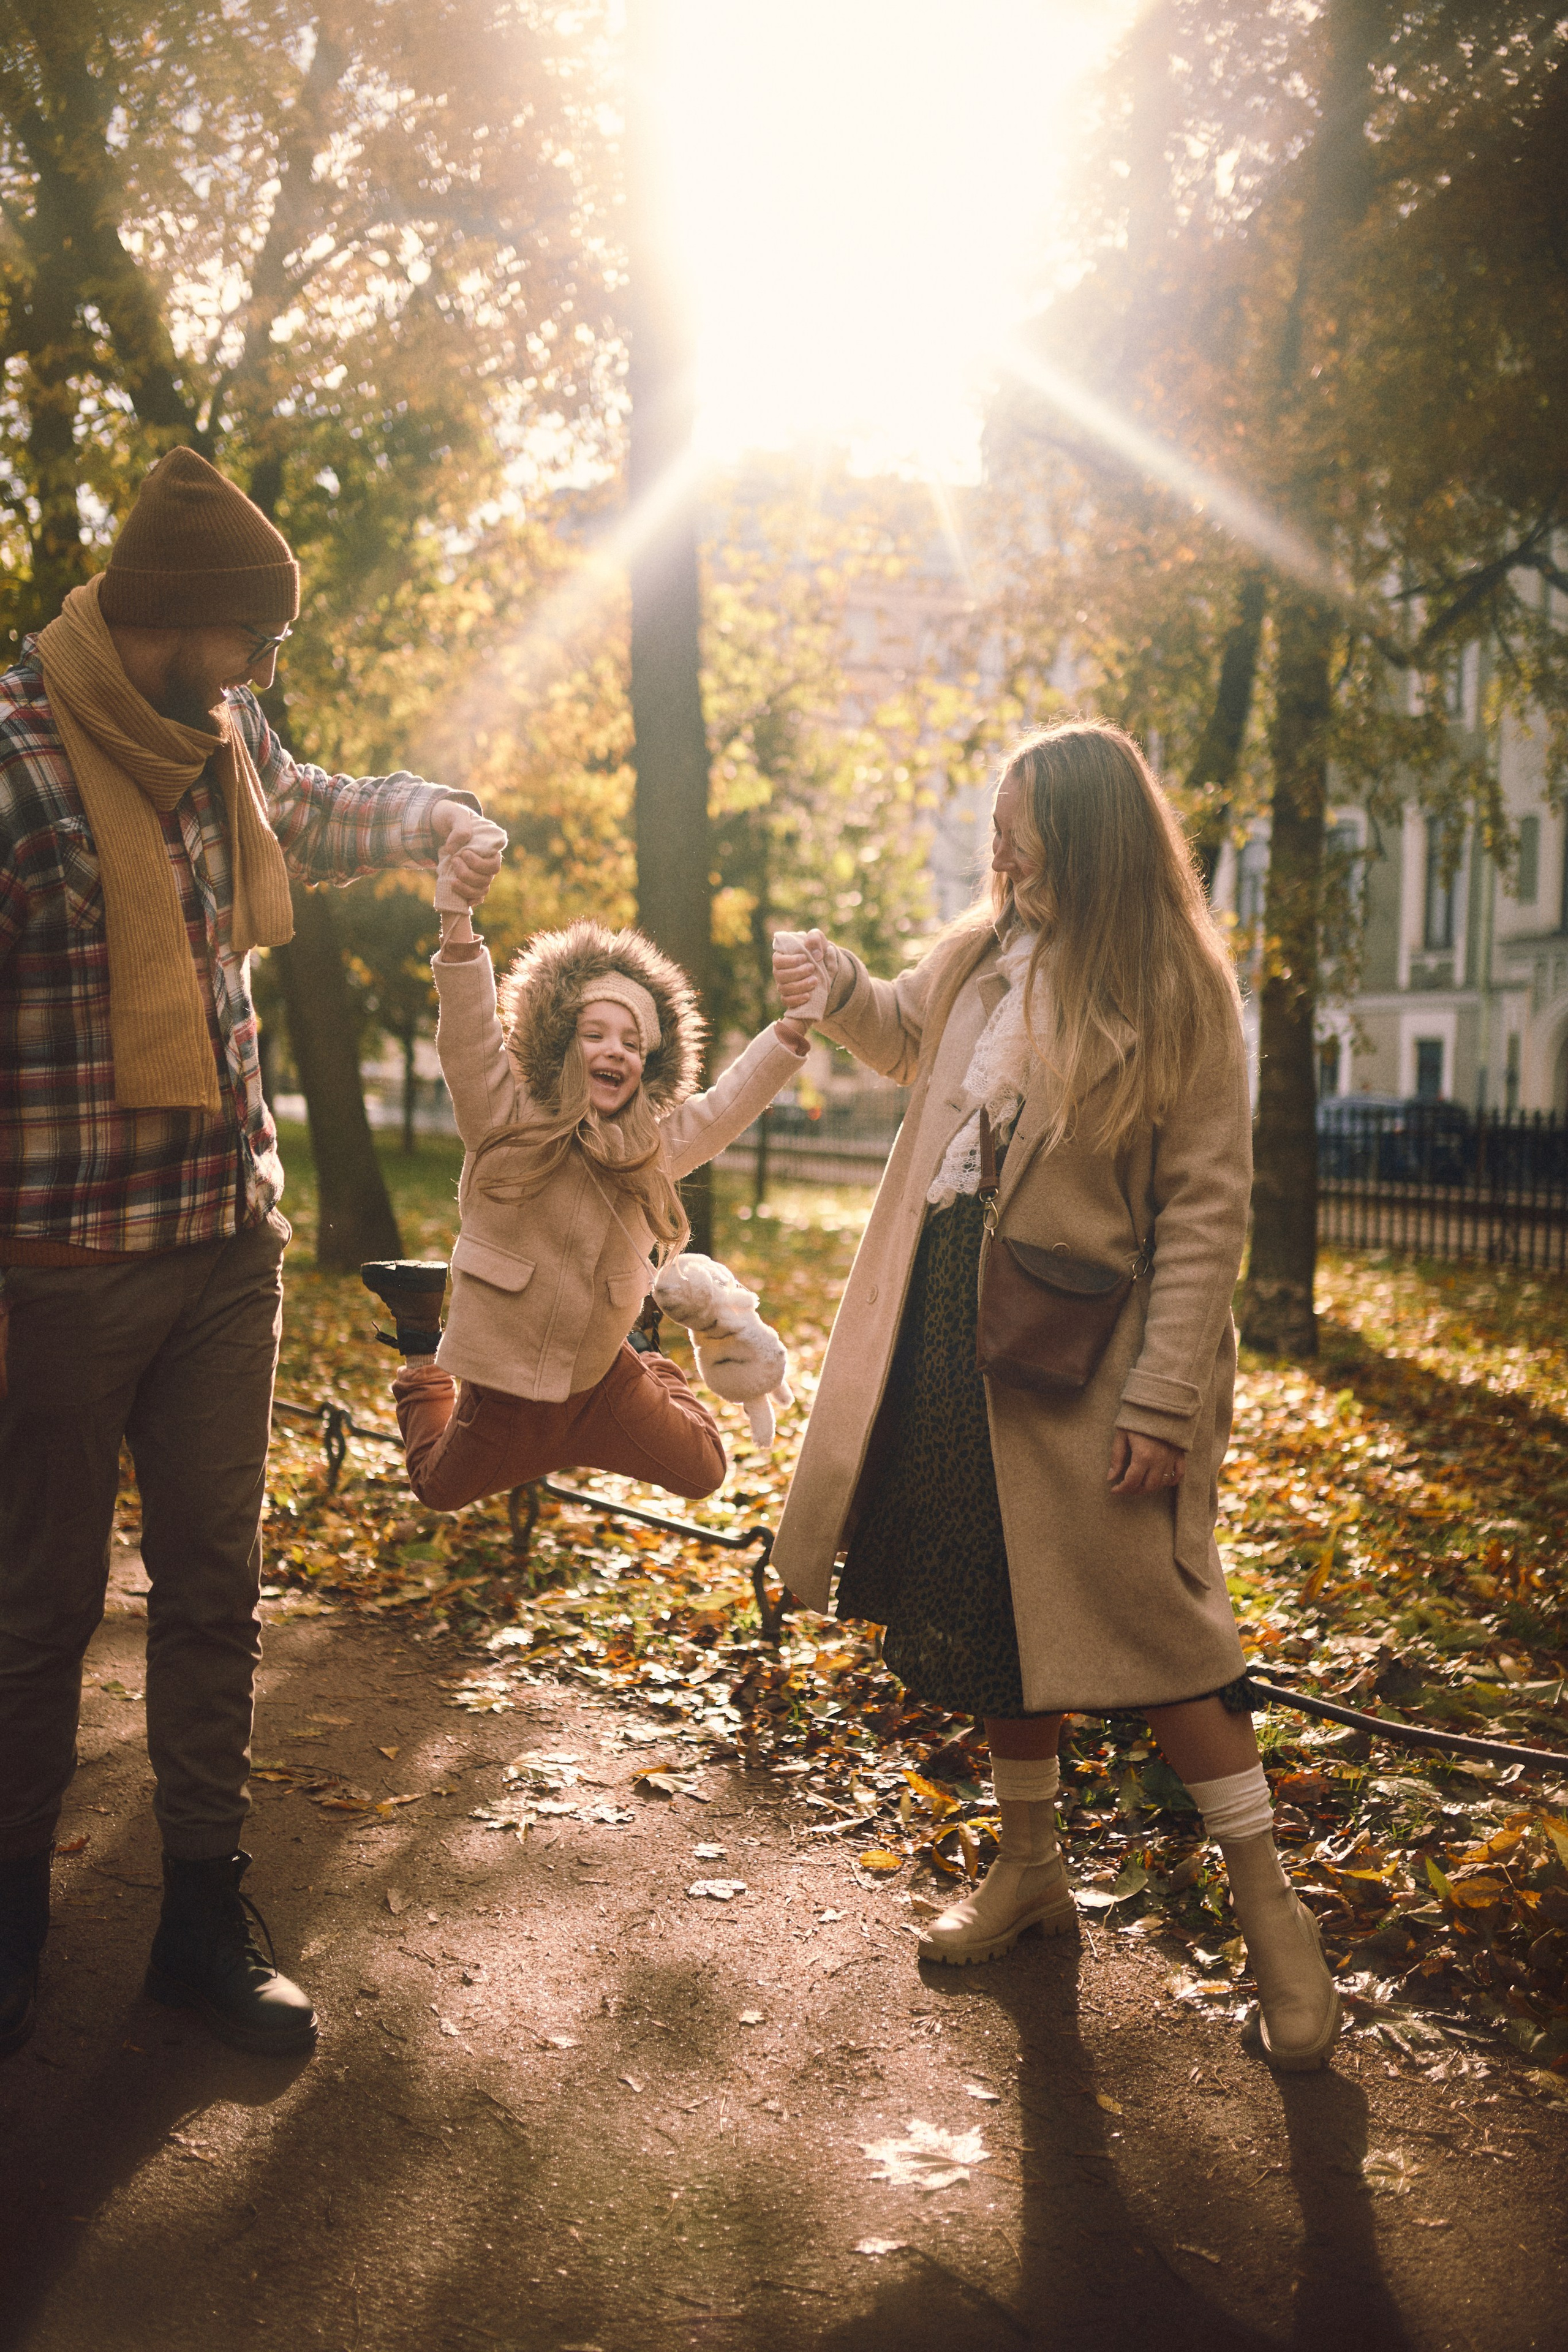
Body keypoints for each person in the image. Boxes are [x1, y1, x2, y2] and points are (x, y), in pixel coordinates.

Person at [0, 448, 503, 2061]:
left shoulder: (224, 733)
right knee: (35, 1605)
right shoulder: (17, 763)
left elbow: (315, 807)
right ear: (177, 621)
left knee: (217, 1588)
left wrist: (440, 821)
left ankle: (202, 1919)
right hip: (64, 1259)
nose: (269, 662)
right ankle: (10, 1913)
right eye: (254, 631)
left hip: (231, 1237)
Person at [772, 720, 1340, 2071]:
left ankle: (1276, 1923)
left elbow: (1204, 1216)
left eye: (1019, 824)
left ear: (1082, 832)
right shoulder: (979, 950)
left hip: (1094, 1362)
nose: (998, 846)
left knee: (1161, 1636)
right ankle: (1028, 1871)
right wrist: (838, 979)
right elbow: (902, 1037)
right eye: (995, 823)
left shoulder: (1177, 989)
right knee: (994, 1607)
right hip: (948, 1330)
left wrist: (1158, 1403)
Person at [361, 892, 813, 1510]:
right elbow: (468, 1037)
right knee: (437, 1489)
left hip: (604, 1379)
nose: (614, 1051)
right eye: (594, 1033)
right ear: (557, 1043)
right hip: (506, 1389)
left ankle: (647, 1355)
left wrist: (791, 1030)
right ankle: (419, 1348)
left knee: (706, 1469)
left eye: (632, 1043)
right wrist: (458, 925)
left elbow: (722, 1109)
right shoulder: (502, 1116)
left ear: (647, 1065)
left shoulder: (644, 1146)